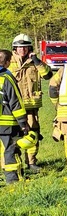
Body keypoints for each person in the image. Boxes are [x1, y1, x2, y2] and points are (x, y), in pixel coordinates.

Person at [9, 33, 53, 173]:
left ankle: (32, 162)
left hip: (31, 108)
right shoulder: (8, 61)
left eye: (25, 47)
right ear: (14, 48)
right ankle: (15, 163)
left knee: (32, 134)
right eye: (19, 47)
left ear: (29, 48)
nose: (22, 50)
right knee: (13, 135)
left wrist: (36, 61)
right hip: (12, 107)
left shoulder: (35, 62)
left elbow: (48, 75)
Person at [0, 49, 29, 185]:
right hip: (7, 124)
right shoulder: (6, 77)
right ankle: (13, 180)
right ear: (6, 62)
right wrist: (23, 123)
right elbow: (15, 102)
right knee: (11, 150)